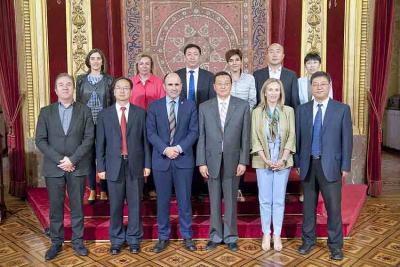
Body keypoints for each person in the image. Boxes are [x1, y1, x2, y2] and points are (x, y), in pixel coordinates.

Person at [36, 73, 94, 260]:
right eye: (61, 85)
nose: (65, 87)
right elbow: (40, 140)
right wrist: (61, 160)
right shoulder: (46, 111)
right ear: (55, 90)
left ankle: (78, 241)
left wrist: (73, 160)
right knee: (55, 207)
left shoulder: (84, 110)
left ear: (73, 88)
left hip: (77, 166)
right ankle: (56, 242)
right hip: (54, 168)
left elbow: (88, 138)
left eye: (68, 84)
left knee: (77, 206)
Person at [295, 71, 352, 261]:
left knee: (333, 208)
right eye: (315, 84)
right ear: (311, 87)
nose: (319, 87)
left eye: (323, 84)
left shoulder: (341, 109)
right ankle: (308, 241)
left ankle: (335, 246)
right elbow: (298, 139)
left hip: (331, 166)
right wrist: (298, 163)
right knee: (308, 207)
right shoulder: (302, 109)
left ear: (329, 86)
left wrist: (345, 165)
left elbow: (347, 140)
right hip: (308, 164)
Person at [96, 77, 151, 255]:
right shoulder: (104, 115)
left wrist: (147, 165)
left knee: (135, 204)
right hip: (113, 166)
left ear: (131, 91)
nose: (122, 91)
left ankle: (134, 239)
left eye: (125, 88)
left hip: (135, 165)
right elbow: (100, 144)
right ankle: (117, 239)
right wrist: (101, 168)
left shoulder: (140, 113)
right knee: (116, 205)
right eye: (118, 88)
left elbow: (145, 142)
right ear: (113, 91)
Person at [197, 71, 250, 252]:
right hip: (211, 161)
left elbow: (245, 136)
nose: (223, 86)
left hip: (233, 161)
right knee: (213, 200)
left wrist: (243, 161)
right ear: (214, 86)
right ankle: (215, 235)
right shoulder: (204, 107)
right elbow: (201, 136)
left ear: (231, 85)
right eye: (219, 83)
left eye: (226, 83)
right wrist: (201, 162)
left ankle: (230, 236)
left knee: (230, 200)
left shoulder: (242, 106)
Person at [146, 73, 199, 253]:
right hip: (161, 160)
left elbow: (194, 132)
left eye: (177, 84)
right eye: (170, 84)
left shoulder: (190, 106)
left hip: (183, 160)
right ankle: (163, 236)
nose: (174, 87)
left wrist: (177, 148)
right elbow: (151, 133)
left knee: (185, 200)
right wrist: (165, 149)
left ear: (181, 86)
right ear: (164, 86)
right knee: (162, 201)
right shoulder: (154, 106)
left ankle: (187, 235)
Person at [251, 78, 295, 251]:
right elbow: (254, 137)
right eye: (270, 90)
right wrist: (266, 159)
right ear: (264, 92)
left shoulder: (288, 111)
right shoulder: (256, 112)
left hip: (282, 161)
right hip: (263, 161)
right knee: (264, 200)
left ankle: (276, 234)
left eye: (277, 90)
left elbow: (292, 135)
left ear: (281, 93)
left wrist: (283, 159)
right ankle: (266, 233)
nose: (273, 93)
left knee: (278, 200)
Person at [176, 43, 216, 199]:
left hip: (202, 120)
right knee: (185, 153)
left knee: (200, 153)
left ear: (200, 57)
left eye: (195, 54)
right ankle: (183, 189)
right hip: (181, 122)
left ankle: (199, 189)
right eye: (189, 54)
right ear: (184, 57)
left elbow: (212, 101)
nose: (192, 57)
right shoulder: (177, 75)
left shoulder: (209, 76)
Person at [76, 48, 114, 204]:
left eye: (99, 58)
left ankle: (104, 190)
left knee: (104, 157)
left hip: (104, 124)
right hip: (87, 125)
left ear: (102, 61)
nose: (96, 61)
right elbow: (78, 104)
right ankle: (92, 189)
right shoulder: (80, 80)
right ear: (88, 61)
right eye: (93, 58)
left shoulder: (109, 80)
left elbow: (112, 103)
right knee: (89, 157)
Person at [129, 53, 165, 199]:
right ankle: (138, 187)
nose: (144, 66)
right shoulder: (131, 82)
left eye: (147, 63)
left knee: (152, 153)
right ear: (137, 65)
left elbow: (162, 103)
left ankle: (151, 187)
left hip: (153, 123)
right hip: (135, 123)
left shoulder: (158, 82)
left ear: (151, 65)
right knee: (137, 152)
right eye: (141, 63)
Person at [225, 48, 257, 202]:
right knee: (227, 153)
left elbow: (252, 101)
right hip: (225, 123)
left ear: (241, 61)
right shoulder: (224, 79)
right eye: (231, 60)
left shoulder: (249, 79)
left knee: (240, 153)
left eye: (237, 59)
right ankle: (227, 188)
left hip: (244, 121)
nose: (234, 63)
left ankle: (239, 189)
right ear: (227, 63)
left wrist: (241, 115)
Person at [253, 43, 300, 109]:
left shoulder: (291, 75)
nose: (274, 55)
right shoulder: (257, 75)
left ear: (283, 56)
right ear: (266, 56)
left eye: (278, 52)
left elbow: (295, 100)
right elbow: (255, 100)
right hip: (262, 115)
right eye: (271, 52)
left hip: (285, 115)